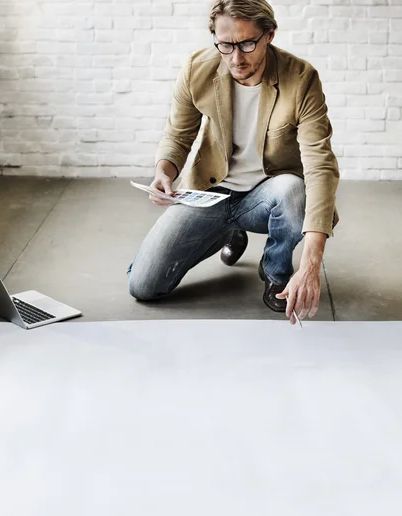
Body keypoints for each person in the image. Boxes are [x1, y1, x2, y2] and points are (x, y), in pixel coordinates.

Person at [127, 0, 339, 324]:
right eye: (226, 45)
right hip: (210, 192)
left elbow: (320, 166)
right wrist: (163, 173)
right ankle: (228, 233)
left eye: (247, 43)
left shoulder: (301, 79)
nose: (236, 58)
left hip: (268, 195)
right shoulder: (198, 69)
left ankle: (275, 272)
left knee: (294, 191)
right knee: (143, 285)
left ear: (269, 35)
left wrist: (311, 264)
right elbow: (178, 136)